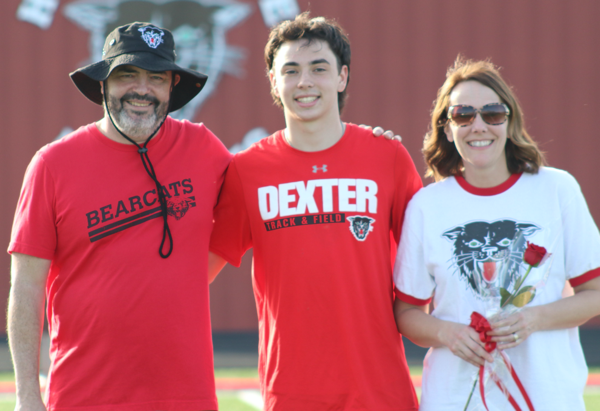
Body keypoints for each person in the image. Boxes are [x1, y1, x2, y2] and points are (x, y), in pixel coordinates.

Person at [7, 22, 232, 411]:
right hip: (83, 397)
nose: (142, 89)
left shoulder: (204, 148)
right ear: (103, 84)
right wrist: (27, 394)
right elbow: (26, 286)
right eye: (128, 75)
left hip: (187, 398)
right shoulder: (52, 164)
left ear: (171, 88)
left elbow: (267, 189)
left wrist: (368, 146)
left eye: (156, 78)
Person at [208, 12, 422, 411]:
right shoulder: (246, 171)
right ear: (274, 81)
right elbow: (195, 273)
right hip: (291, 393)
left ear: (342, 77)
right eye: (290, 70)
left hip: (379, 390)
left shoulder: (387, 156)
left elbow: (432, 257)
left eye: (318, 68)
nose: (304, 82)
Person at [393, 57, 600, 410]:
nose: (478, 126)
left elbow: (594, 293)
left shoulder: (557, 190)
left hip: (547, 398)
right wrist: (448, 333)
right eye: (463, 115)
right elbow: (407, 312)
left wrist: (531, 320)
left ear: (509, 120)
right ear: (446, 127)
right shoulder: (427, 206)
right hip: (456, 399)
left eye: (492, 114)